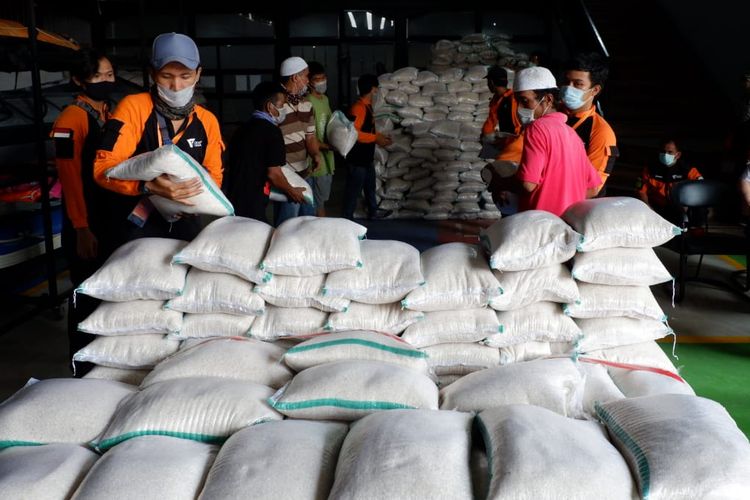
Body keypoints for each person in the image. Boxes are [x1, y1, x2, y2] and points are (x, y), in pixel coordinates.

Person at [93, 32, 223, 254]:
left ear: (198, 73)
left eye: (185, 75)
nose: (176, 85)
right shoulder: (133, 108)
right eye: (166, 76)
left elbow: (214, 175)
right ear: (153, 73)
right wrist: (146, 186)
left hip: (186, 222)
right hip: (137, 224)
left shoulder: (206, 120)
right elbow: (102, 170)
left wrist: (194, 201)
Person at [52, 49, 116, 372]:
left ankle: (105, 363)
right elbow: (70, 180)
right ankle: (83, 368)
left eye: (109, 75)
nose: (106, 81)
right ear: (79, 81)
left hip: (105, 218)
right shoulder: (70, 120)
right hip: (84, 223)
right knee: (85, 298)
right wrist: (81, 227)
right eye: (97, 77)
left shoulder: (106, 112)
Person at [487, 66, 601, 217]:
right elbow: (592, 189)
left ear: (548, 99)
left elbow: (528, 184)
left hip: (538, 225)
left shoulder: (537, 128)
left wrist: (500, 183)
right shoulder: (571, 133)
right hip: (566, 224)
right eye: (518, 102)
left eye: (525, 101)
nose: (520, 108)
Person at [222, 82, 307, 222]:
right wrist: (292, 192)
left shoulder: (242, 129)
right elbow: (274, 174)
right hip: (253, 200)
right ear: (270, 107)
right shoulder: (272, 132)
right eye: (282, 105)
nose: (284, 109)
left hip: (233, 196)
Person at [559, 53, 618, 192]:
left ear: (595, 90)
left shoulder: (601, 132)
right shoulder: (551, 113)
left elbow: (592, 189)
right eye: (567, 82)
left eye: (578, 84)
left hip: (575, 208)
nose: (568, 88)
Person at [274, 56, 320, 225]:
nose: (308, 81)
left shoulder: (307, 105)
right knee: (288, 223)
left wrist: (315, 154)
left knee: (308, 220)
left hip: (305, 172)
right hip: (286, 176)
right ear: (295, 77)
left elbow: (310, 136)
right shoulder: (276, 105)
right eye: (306, 76)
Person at [343, 74, 393, 220]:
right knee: (353, 191)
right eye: (376, 89)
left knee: (370, 188)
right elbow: (355, 133)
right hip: (357, 159)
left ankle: (373, 212)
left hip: (366, 157)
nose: (377, 92)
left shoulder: (367, 106)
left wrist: (380, 137)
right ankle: (346, 219)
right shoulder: (358, 108)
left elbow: (368, 130)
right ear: (373, 89)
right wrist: (375, 138)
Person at [636, 137, 704, 225]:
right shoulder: (650, 169)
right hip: (656, 207)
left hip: (680, 208)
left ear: (678, 155)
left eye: (670, 152)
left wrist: (688, 205)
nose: (665, 155)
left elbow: (702, 188)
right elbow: (641, 192)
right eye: (663, 152)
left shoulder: (687, 169)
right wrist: (648, 208)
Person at [307, 61, 335, 217]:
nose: (322, 81)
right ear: (309, 82)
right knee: (317, 204)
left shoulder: (324, 99)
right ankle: (320, 235)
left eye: (323, 77)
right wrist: (328, 146)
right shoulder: (307, 102)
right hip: (317, 161)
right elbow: (308, 136)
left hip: (327, 157)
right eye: (317, 79)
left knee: (321, 201)